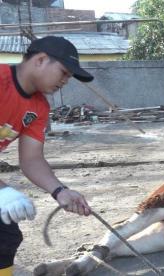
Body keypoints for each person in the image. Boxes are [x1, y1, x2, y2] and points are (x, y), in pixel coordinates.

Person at [0, 36, 93, 276]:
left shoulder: (38, 107)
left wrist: (60, 191)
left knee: (5, 235)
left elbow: (31, 159)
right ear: (40, 60)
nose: (65, 81)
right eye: (63, 72)